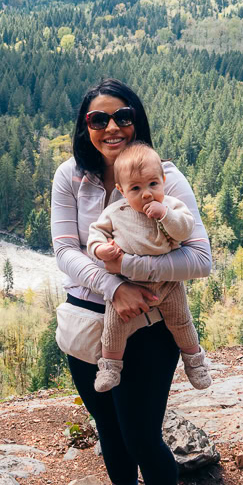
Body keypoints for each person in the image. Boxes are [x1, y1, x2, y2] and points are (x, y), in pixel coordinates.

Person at [50, 79, 212, 485]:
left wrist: (133, 275)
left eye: (122, 116)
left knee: (141, 434)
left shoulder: (164, 177)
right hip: (87, 323)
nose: (112, 127)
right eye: (99, 119)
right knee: (111, 432)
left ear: (137, 119)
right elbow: (65, 250)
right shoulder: (70, 178)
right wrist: (111, 285)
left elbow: (199, 259)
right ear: (86, 127)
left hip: (150, 326)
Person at [87, 141, 211, 393]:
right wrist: (101, 250)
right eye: (136, 188)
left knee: (181, 321)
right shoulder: (115, 211)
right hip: (127, 284)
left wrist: (164, 214)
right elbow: (95, 234)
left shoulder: (173, 206)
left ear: (163, 180)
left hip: (168, 283)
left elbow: (185, 229)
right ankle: (109, 366)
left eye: (153, 184)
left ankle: (195, 361)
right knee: (114, 326)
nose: (146, 193)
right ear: (122, 191)